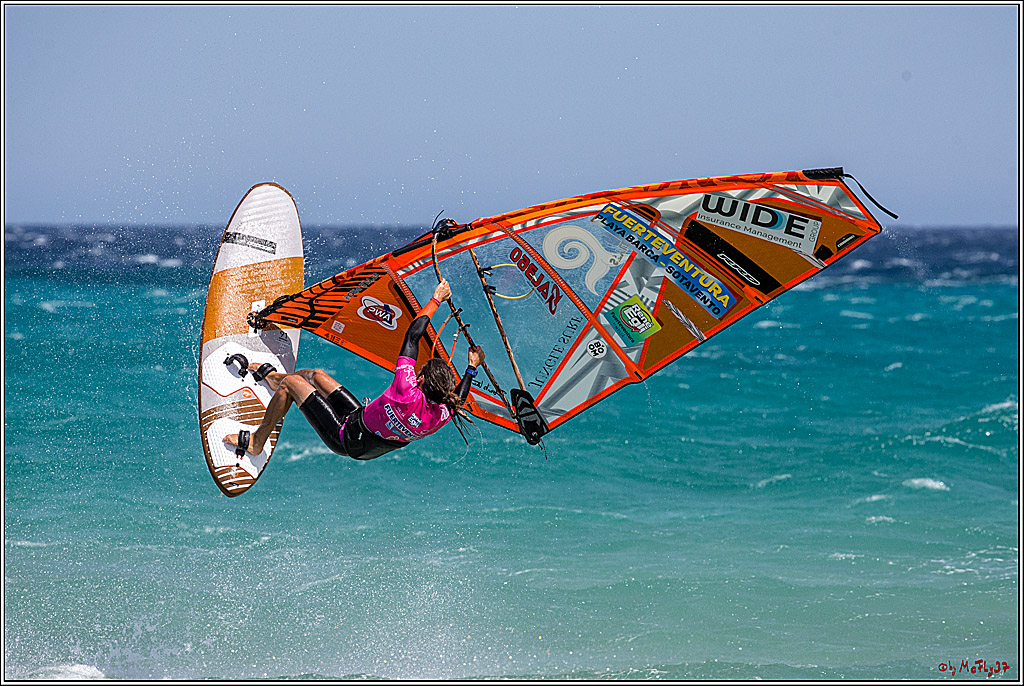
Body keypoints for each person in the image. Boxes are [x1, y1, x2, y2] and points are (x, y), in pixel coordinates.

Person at [224, 278, 484, 460]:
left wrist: (437, 299)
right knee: (315, 376)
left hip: (345, 438)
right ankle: (272, 379)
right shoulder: (440, 413)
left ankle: (257, 441)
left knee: (293, 384)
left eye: (421, 372)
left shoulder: (407, 390)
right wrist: (472, 369)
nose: (416, 372)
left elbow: (412, 337)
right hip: (360, 421)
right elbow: (459, 399)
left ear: (423, 380)